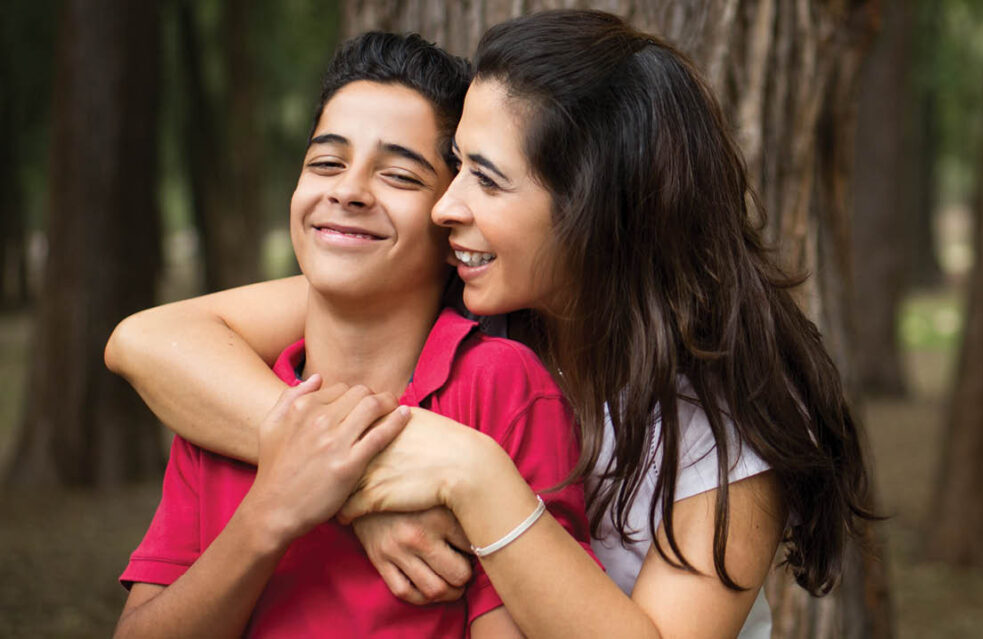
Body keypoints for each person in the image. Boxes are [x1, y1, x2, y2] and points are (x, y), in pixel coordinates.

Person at [107, 10, 876, 638]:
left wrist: (476, 479)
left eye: (485, 178)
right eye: (455, 166)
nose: (447, 208)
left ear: (589, 212)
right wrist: (353, 485)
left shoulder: (721, 420)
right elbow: (147, 342)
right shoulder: (464, 297)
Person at [112, 31, 592, 639]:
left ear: (449, 221)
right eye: (326, 163)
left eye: (398, 175)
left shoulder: (498, 386)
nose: (346, 190)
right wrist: (273, 512)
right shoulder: (220, 402)